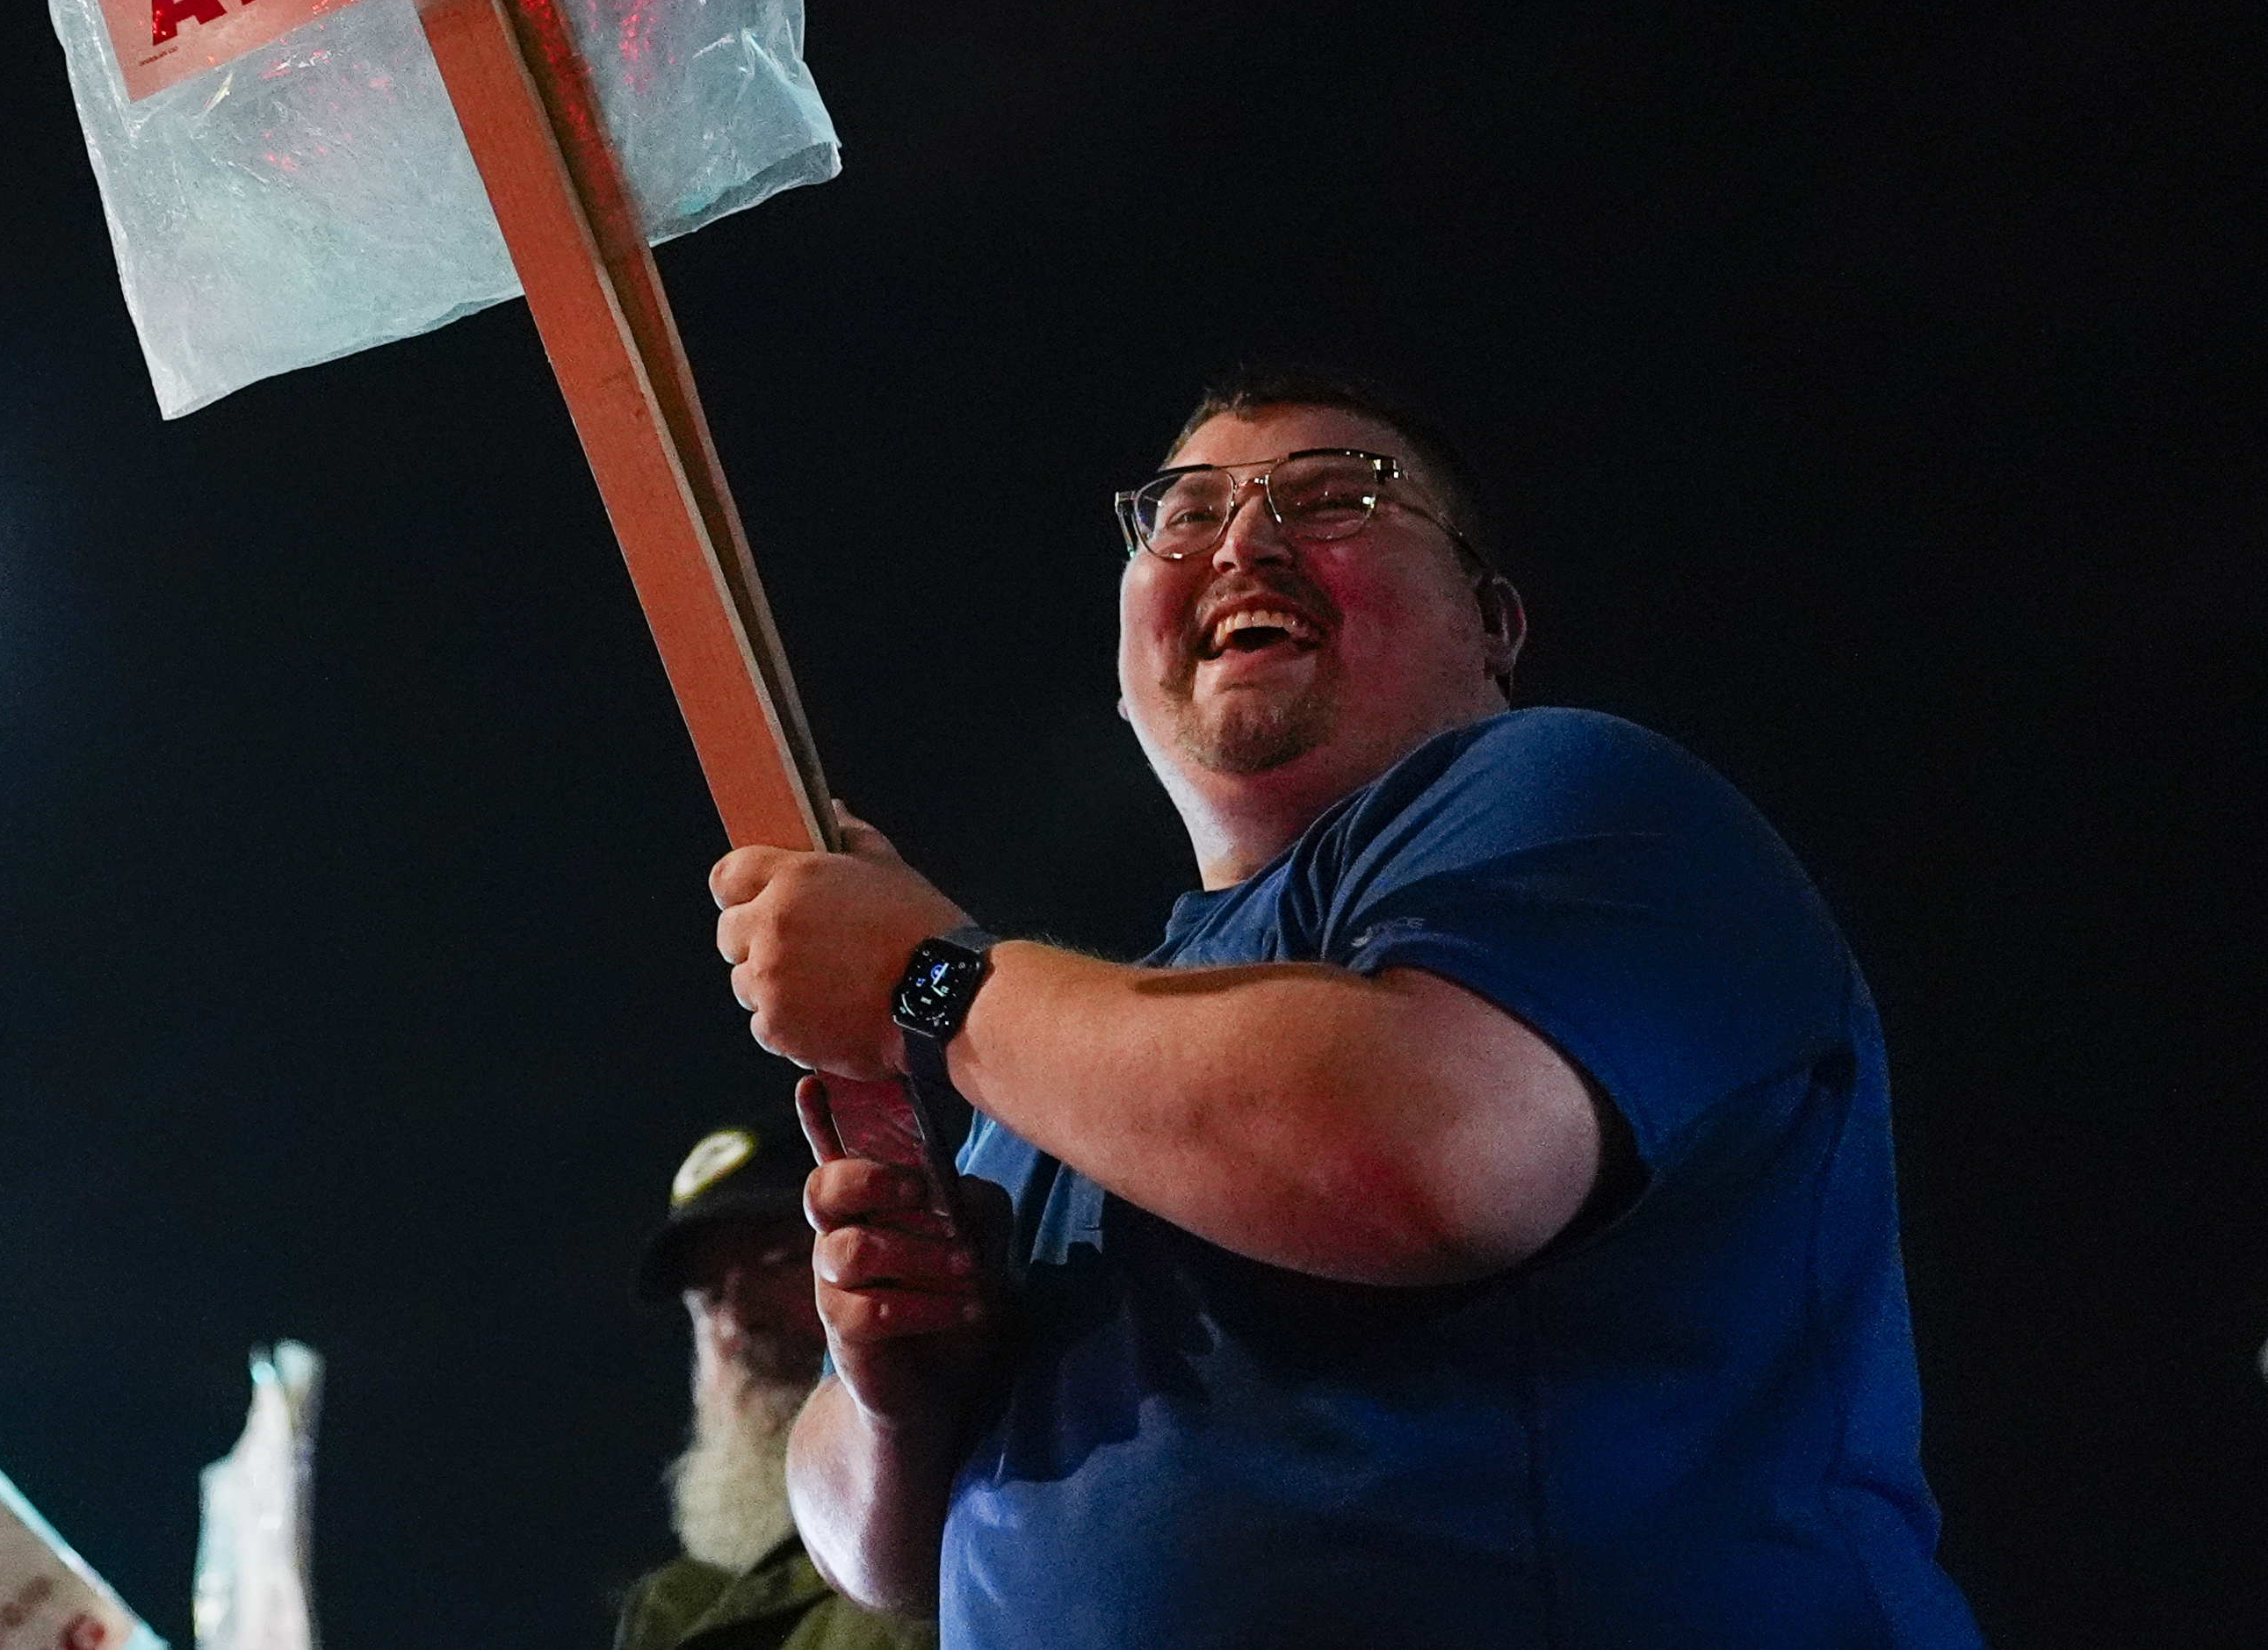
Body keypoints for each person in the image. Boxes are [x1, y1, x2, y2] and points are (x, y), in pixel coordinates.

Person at [707, 369, 1978, 1645]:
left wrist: (922, 982)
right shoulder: (1050, 1072)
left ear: (1489, 625)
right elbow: (871, 1559)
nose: (1244, 543)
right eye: (1183, 517)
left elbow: (1425, 1145)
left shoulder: (1583, 801)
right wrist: (899, 1391)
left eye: (1333, 501)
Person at [614, 1116, 930, 1650]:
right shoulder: (674, 1614)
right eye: (710, 1298)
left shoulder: (973, 1510)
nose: (737, 1322)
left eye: (778, 1263)